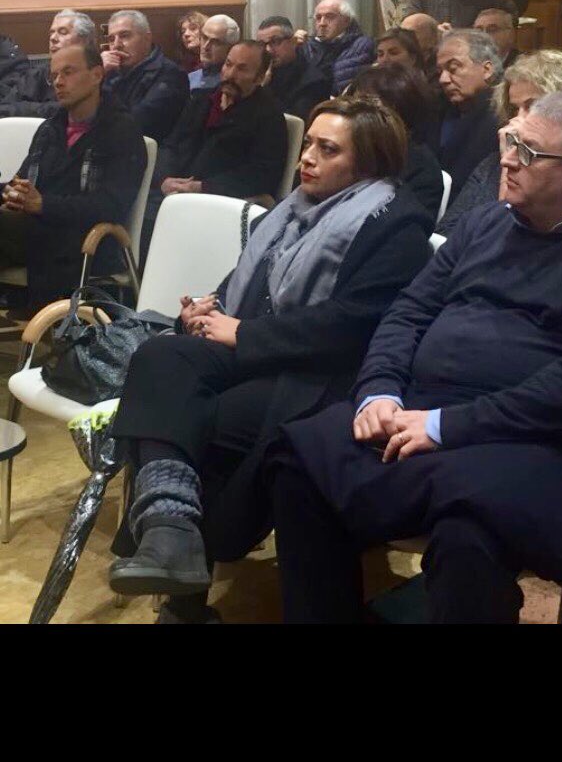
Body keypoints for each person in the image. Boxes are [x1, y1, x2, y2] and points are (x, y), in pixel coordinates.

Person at [268, 91, 562, 624]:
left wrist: (445, 426)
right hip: (419, 411)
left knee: (473, 533)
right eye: (510, 141)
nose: (506, 160)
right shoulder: (486, 223)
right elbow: (408, 311)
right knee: (300, 462)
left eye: (527, 152)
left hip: (538, 442)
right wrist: (380, 390)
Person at [107, 96, 433, 623]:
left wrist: (244, 332)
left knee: (199, 414)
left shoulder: (395, 227)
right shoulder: (293, 209)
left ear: (367, 163)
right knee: (161, 355)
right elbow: (250, 278)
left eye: (328, 150)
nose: (308, 157)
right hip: (261, 350)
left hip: (320, 375)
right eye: (309, 143)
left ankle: (182, 587)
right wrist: (209, 307)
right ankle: (170, 527)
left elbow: (352, 325)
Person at [0, 41, 146, 313]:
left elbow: (112, 205)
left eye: (68, 72)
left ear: (97, 74)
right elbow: (23, 180)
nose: (58, 82)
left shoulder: (122, 131)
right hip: (38, 229)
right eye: (54, 75)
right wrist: (12, 193)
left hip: (86, 240)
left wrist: (43, 205)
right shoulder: (50, 128)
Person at [438, 50, 562, 236]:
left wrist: (508, 169)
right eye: (514, 109)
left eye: (533, 106)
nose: (518, 119)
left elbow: (512, 239)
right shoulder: (492, 164)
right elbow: (445, 232)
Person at [156, 40, 287, 202]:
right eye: (228, 64)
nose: (230, 74)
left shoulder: (269, 115)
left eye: (242, 69)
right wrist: (165, 179)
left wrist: (202, 187)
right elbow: (171, 145)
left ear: (259, 78)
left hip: (221, 199)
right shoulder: (201, 100)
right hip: (174, 191)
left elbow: (263, 174)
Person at [345, 65, 443, 223]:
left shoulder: (422, 169)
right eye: (353, 104)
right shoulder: (346, 149)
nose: (355, 114)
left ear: (398, 109)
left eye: (366, 106)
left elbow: (408, 226)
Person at [436, 28, 503, 203]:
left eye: (453, 68)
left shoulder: (500, 119)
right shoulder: (439, 109)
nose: (443, 79)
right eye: (439, 71)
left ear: (487, 69)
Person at [101, 9, 189, 142]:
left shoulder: (170, 74)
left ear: (147, 38)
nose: (116, 45)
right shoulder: (110, 72)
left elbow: (138, 123)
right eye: (111, 39)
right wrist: (98, 75)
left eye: (125, 36)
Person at [0, 10, 96, 119]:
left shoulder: (94, 74)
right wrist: (47, 109)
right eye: (51, 32)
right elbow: (5, 108)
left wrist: (31, 108)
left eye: (63, 32)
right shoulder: (38, 74)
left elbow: (77, 108)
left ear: (85, 41)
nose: (53, 38)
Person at [256, 15, 330, 123]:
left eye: (275, 41)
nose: (268, 50)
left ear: (293, 41)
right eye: (262, 44)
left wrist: (262, 89)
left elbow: (293, 124)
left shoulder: (314, 81)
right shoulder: (261, 70)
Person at [298, 0, 375, 93]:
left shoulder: (363, 46)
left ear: (346, 21)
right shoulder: (307, 46)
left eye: (329, 17)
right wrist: (293, 48)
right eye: (318, 18)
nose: (322, 23)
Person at [188, 15, 240, 93]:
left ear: (231, 47)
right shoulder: (189, 78)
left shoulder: (234, 82)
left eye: (215, 42)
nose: (206, 47)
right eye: (204, 38)